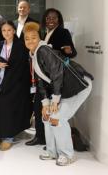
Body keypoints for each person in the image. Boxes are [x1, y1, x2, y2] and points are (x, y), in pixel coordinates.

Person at [23, 22, 93, 166]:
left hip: (79, 85)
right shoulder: (33, 54)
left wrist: (54, 101)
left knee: (58, 118)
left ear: (40, 38)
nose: (30, 41)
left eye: (33, 37)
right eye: (27, 38)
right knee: (47, 116)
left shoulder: (43, 50)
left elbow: (57, 74)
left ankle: (67, 154)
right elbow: (41, 81)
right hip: (65, 88)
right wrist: (45, 103)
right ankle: (52, 151)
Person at [0, 21, 31, 151]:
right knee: (4, 109)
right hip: (0, 83)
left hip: (17, 84)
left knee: (7, 108)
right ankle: (5, 133)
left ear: (14, 31)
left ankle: (7, 137)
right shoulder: (0, 45)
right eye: (4, 30)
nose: (6, 33)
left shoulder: (21, 46)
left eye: (9, 30)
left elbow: (22, 66)